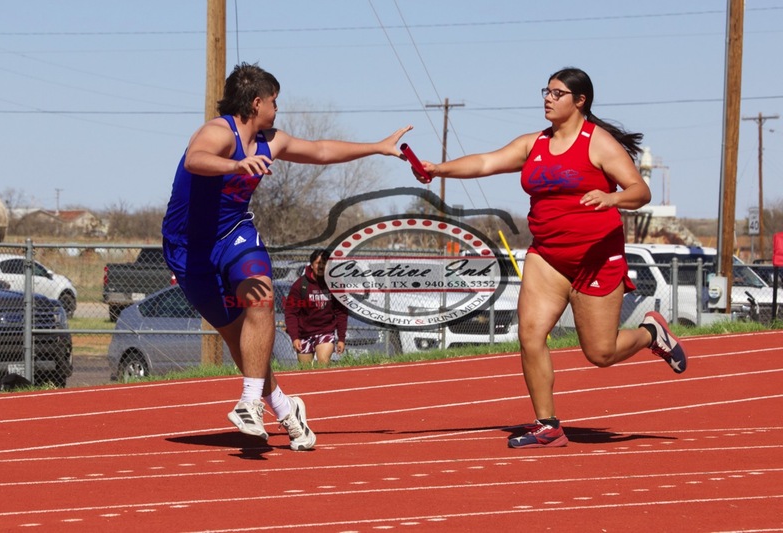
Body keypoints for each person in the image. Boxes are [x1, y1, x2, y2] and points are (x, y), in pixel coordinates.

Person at [411, 67, 687, 449]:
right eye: (547, 91)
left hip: (595, 256)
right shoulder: (533, 144)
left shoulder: (598, 143)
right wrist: (439, 169)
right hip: (547, 257)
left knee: (600, 353)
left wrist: (612, 198)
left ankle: (650, 333)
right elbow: (488, 162)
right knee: (530, 335)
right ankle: (548, 425)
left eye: (557, 93)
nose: (548, 98)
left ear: (580, 101)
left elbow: (640, 191)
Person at [162, 62, 411, 451]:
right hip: (188, 250)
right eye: (275, 102)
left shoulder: (272, 140)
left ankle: (248, 403)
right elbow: (196, 159)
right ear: (257, 102)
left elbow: (322, 151)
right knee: (237, 340)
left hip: (234, 235)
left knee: (260, 298)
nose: (278, 110)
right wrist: (236, 164)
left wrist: (376, 147)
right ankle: (284, 406)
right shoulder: (217, 131)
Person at [283, 249, 348, 367]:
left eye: (325, 263)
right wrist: (295, 337)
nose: (321, 266)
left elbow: (341, 312)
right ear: (312, 265)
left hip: (325, 330)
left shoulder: (335, 284)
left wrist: (341, 338)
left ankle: (326, 385)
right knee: (305, 368)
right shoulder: (300, 285)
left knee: (323, 362)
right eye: (318, 263)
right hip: (304, 333)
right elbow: (291, 313)